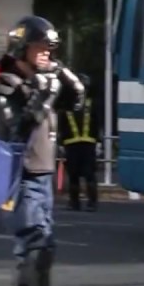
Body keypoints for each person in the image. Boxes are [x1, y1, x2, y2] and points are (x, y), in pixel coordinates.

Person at [0, 15, 85, 286]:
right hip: (18, 177)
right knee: (39, 244)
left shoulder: (45, 80)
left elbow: (77, 99)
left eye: (50, 48)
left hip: (43, 176)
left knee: (29, 249)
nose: (46, 52)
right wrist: (43, 96)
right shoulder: (6, 86)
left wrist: (60, 74)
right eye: (40, 47)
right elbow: (15, 129)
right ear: (22, 48)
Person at [59, 74, 99, 212]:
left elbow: (97, 123)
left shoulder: (91, 104)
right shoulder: (67, 106)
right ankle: (76, 202)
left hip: (84, 144)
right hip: (74, 144)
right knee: (75, 175)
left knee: (87, 175)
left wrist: (98, 142)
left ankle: (89, 203)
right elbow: (61, 126)